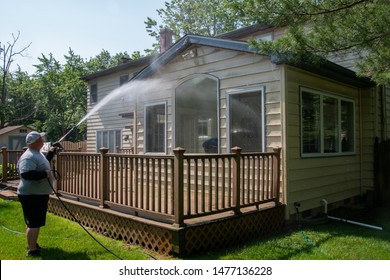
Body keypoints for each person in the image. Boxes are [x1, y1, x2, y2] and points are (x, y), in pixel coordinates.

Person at [17, 131, 57, 257]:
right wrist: (46, 174)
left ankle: (32, 244)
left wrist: (50, 153)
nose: (43, 140)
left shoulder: (36, 153)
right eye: (41, 138)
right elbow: (26, 174)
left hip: (36, 194)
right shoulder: (28, 156)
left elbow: (42, 163)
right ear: (36, 142)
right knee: (34, 222)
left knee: (32, 222)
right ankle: (32, 250)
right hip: (32, 195)